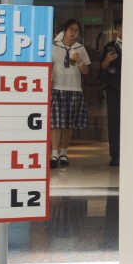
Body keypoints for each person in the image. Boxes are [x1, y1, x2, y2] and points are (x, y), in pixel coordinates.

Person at [51, 19, 91, 167]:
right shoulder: (54, 47)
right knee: (55, 123)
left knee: (68, 123)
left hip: (74, 88)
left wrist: (79, 61)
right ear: (65, 30)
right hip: (56, 88)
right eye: (71, 29)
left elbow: (85, 71)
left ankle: (64, 152)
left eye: (76, 30)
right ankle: (54, 153)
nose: (73, 33)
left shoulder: (80, 48)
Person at [99, 20, 123, 167]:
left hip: (132, 89)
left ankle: (130, 153)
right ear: (116, 30)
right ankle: (115, 155)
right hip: (113, 88)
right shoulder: (109, 46)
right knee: (114, 121)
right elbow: (102, 67)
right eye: (119, 28)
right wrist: (107, 60)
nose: (122, 31)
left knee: (132, 121)